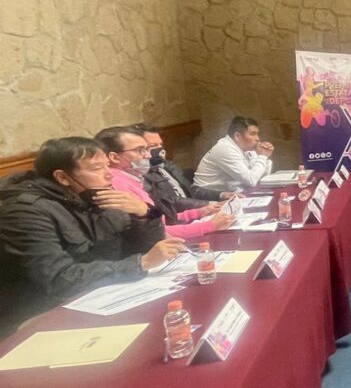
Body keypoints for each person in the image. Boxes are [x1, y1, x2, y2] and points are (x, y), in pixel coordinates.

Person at [0, 137, 184, 335]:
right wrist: (141, 263)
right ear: (63, 177)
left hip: (104, 297)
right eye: (97, 169)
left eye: (107, 166)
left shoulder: (95, 195)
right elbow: (58, 280)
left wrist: (145, 215)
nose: (109, 174)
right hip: (46, 314)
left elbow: (141, 249)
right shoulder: (25, 211)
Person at [96, 127, 234, 239]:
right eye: (140, 150)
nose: (148, 155)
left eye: (146, 149)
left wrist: (197, 212)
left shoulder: (132, 178)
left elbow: (158, 220)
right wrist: (209, 226)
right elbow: (154, 232)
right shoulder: (117, 184)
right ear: (114, 157)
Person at [136, 124, 233, 202]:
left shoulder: (166, 165)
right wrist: (207, 205)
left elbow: (191, 190)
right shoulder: (144, 176)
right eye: (153, 145)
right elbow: (173, 202)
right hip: (184, 216)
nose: (160, 149)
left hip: (196, 211)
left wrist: (221, 195)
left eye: (160, 144)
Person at [193, 116, 275, 191]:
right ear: (237, 136)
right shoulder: (225, 148)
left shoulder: (247, 149)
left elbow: (261, 177)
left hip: (233, 192)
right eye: (253, 134)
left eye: (257, 134)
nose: (258, 138)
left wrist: (264, 157)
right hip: (208, 195)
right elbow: (251, 180)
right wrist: (262, 156)